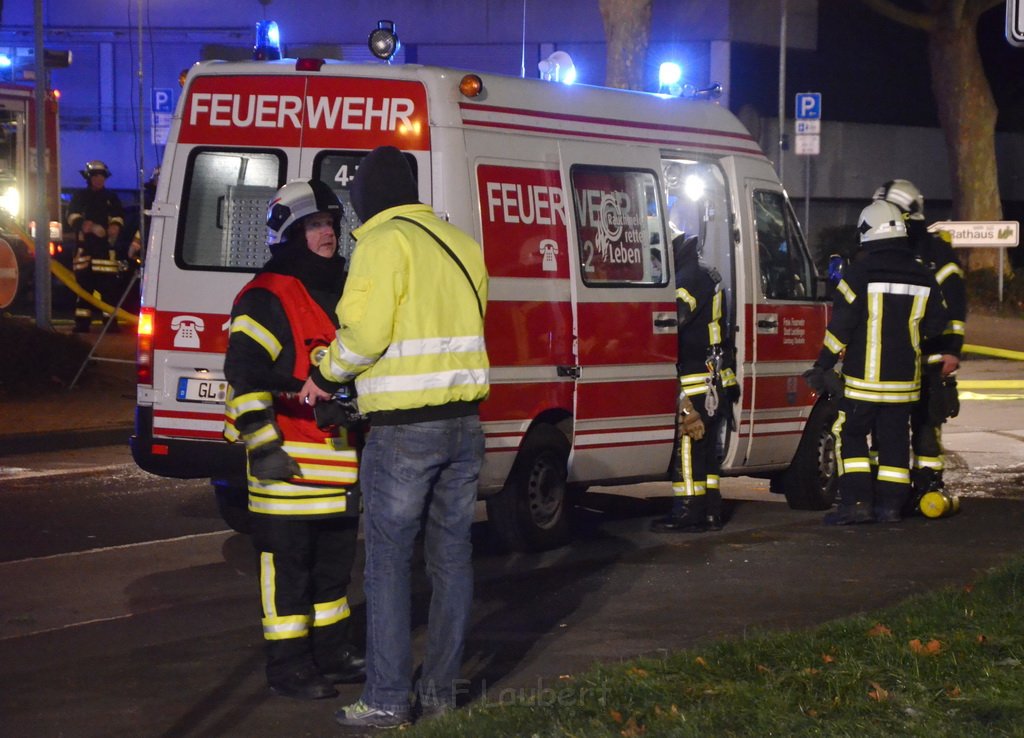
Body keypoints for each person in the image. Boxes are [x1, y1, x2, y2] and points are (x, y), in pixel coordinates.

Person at [299, 145, 489, 728]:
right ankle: (437, 693)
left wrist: (324, 373)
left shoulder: (383, 242)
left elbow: (365, 333)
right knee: (452, 559)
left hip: (405, 432)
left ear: (366, 198)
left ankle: (386, 697)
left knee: (386, 561)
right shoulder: (461, 242)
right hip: (465, 425)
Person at [222, 179, 365, 700]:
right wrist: (264, 447)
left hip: (335, 464)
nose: (327, 234)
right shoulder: (266, 295)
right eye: (313, 226)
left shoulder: (341, 286)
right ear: (288, 233)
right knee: (288, 574)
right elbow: (242, 376)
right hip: (286, 463)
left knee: (332, 574)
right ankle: (288, 665)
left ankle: (333, 653)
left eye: (329, 223)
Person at [804, 200, 957, 525]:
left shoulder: (859, 273)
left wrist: (823, 365)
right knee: (894, 443)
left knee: (851, 435)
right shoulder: (923, 275)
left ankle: (857, 504)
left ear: (867, 231)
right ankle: (890, 508)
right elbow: (937, 324)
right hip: (904, 384)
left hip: (864, 382)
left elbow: (841, 325)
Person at [872, 179, 966, 510]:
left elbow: (955, 307)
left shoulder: (937, 254)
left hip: (930, 356)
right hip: (892, 359)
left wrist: (953, 350)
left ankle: (928, 485)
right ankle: (886, 489)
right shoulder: (885, 250)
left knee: (927, 425)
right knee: (885, 426)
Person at [651, 233, 737, 533]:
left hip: (694, 375)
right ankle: (711, 511)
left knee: (688, 446)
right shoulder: (708, 272)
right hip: (714, 375)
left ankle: (688, 511)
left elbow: (673, 319)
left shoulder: (688, 278)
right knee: (707, 450)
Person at [67, 160, 125, 332]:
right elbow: (71, 216)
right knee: (84, 291)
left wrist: (115, 226)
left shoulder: (111, 197)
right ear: (89, 178)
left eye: (101, 176)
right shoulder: (80, 197)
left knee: (109, 291)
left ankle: (110, 325)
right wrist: (89, 226)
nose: (98, 179)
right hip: (84, 252)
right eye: (95, 176)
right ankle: (82, 324)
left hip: (105, 252)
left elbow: (119, 216)